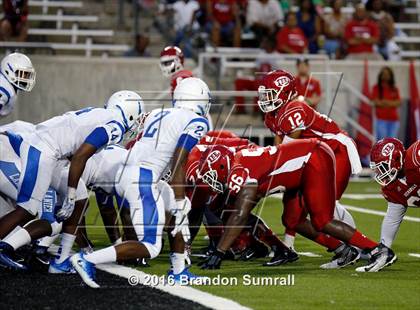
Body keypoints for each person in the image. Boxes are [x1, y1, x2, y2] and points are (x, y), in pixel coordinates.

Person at [70, 77, 212, 288]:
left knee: (177, 213)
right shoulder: (197, 121)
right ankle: (87, 260)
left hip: (130, 171)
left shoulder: (158, 112)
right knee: (151, 245)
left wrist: (179, 202)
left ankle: (179, 270)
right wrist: (180, 197)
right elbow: (179, 158)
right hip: (142, 177)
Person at [198, 141, 396, 273]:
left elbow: (240, 215)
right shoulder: (238, 163)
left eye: (212, 175)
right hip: (299, 170)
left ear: (223, 167)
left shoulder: (240, 172)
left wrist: (219, 252)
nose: (212, 181)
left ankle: (378, 250)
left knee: (323, 220)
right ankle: (344, 251)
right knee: (293, 221)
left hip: (312, 159)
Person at [0, 91, 144, 246]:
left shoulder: (100, 114)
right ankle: (18, 246)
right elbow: (80, 156)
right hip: (43, 150)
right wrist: (70, 193)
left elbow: (73, 149)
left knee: (77, 202)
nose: (138, 123)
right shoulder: (116, 125)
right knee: (27, 210)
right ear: (130, 113)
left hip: (47, 150)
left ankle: (57, 256)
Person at [260, 70, 362, 266]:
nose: (265, 99)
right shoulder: (271, 116)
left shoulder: (294, 108)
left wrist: (273, 167)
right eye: (264, 94)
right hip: (314, 157)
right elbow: (280, 146)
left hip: (335, 150)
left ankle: (359, 246)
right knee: (294, 212)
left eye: (270, 94)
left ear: (284, 93)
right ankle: (288, 248)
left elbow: (289, 145)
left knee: (325, 206)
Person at [370, 138, 420, 249]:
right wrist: (384, 248)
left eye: (382, 167)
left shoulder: (416, 157)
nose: (379, 172)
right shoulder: (392, 188)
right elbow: (392, 219)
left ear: (396, 160)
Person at [234, 38, 279, 114]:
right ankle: (240, 109)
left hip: (270, 83)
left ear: (272, 44)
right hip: (258, 80)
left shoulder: (278, 56)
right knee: (239, 82)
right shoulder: (261, 54)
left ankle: (257, 110)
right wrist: (257, 75)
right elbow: (255, 69)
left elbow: (278, 74)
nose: (265, 45)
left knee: (260, 85)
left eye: (267, 43)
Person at [0, 52, 36, 117]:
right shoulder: (3, 89)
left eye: (27, 75)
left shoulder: (8, 84)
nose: (26, 78)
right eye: (22, 74)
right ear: (8, 71)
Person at [372, 67, 402, 140]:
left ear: (391, 76)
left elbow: (398, 102)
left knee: (392, 141)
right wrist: (391, 103)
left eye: (387, 74)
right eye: (384, 74)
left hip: (394, 120)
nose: (386, 76)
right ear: (381, 75)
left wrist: (386, 102)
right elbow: (376, 102)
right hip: (381, 120)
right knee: (382, 141)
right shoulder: (376, 88)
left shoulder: (394, 89)